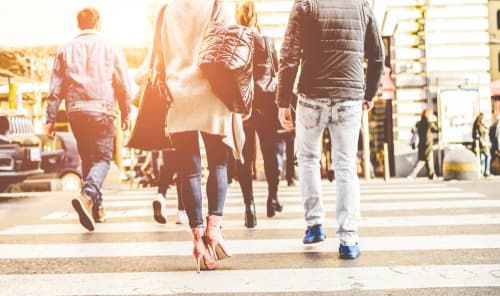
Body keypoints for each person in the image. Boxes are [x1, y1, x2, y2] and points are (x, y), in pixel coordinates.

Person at [276, 0, 384, 259]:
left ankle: (314, 225)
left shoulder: (305, 4)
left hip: (311, 96)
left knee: (308, 159)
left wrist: (282, 102)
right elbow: (377, 55)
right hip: (350, 96)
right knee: (346, 166)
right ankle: (349, 238)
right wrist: (369, 93)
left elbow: (289, 55)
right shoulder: (361, 5)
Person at [155, 1, 245, 272]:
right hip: (212, 94)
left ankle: (197, 239)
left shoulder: (166, 9)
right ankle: (214, 229)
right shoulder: (218, 4)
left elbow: (158, 55)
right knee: (218, 163)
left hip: (177, 95)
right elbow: (233, 50)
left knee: (189, 170)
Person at [46, 7, 132, 232]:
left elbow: (56, 87)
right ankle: (87, 197)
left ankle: (97, 209)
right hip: (102, 110)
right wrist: (127, 111)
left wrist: (51, 117)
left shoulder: (64, 50)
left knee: (88, 158)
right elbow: (123, 82)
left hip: (76, 111)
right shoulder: (111, 47)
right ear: (98, 23)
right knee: (103, 159)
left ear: (78, 24)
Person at [235, 1, 282, 229]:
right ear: (256, 18)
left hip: (243, 105)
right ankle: (272, 198)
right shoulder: (267, 41)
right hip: (266, 104)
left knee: (245, 156)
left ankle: (249, 206)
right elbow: (278, 71)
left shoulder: (236, 41)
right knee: (270, 152)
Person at [152, 150, 188, 225]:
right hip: (183, 141)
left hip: (168, 141)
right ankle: (181, 211)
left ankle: (160, 195)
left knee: (167, 168)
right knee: (182, 172)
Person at [407, 108, 438, 180]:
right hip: (428, 144)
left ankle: (432, 175)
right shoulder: (429, 123)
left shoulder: (419, 123)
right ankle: (412, 175)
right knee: (423, 160)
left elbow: (413, 130)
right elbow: (436, 129)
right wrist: (434, 120)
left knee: (428, 160)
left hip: (421, 144)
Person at [473, 113, 491, 177]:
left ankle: (482, 172)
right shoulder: (480, 126)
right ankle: (486, 172)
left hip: (482, 144)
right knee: (487, 157)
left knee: (482, 158)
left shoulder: (478, 125)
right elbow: (481, 136)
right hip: (483, 144)